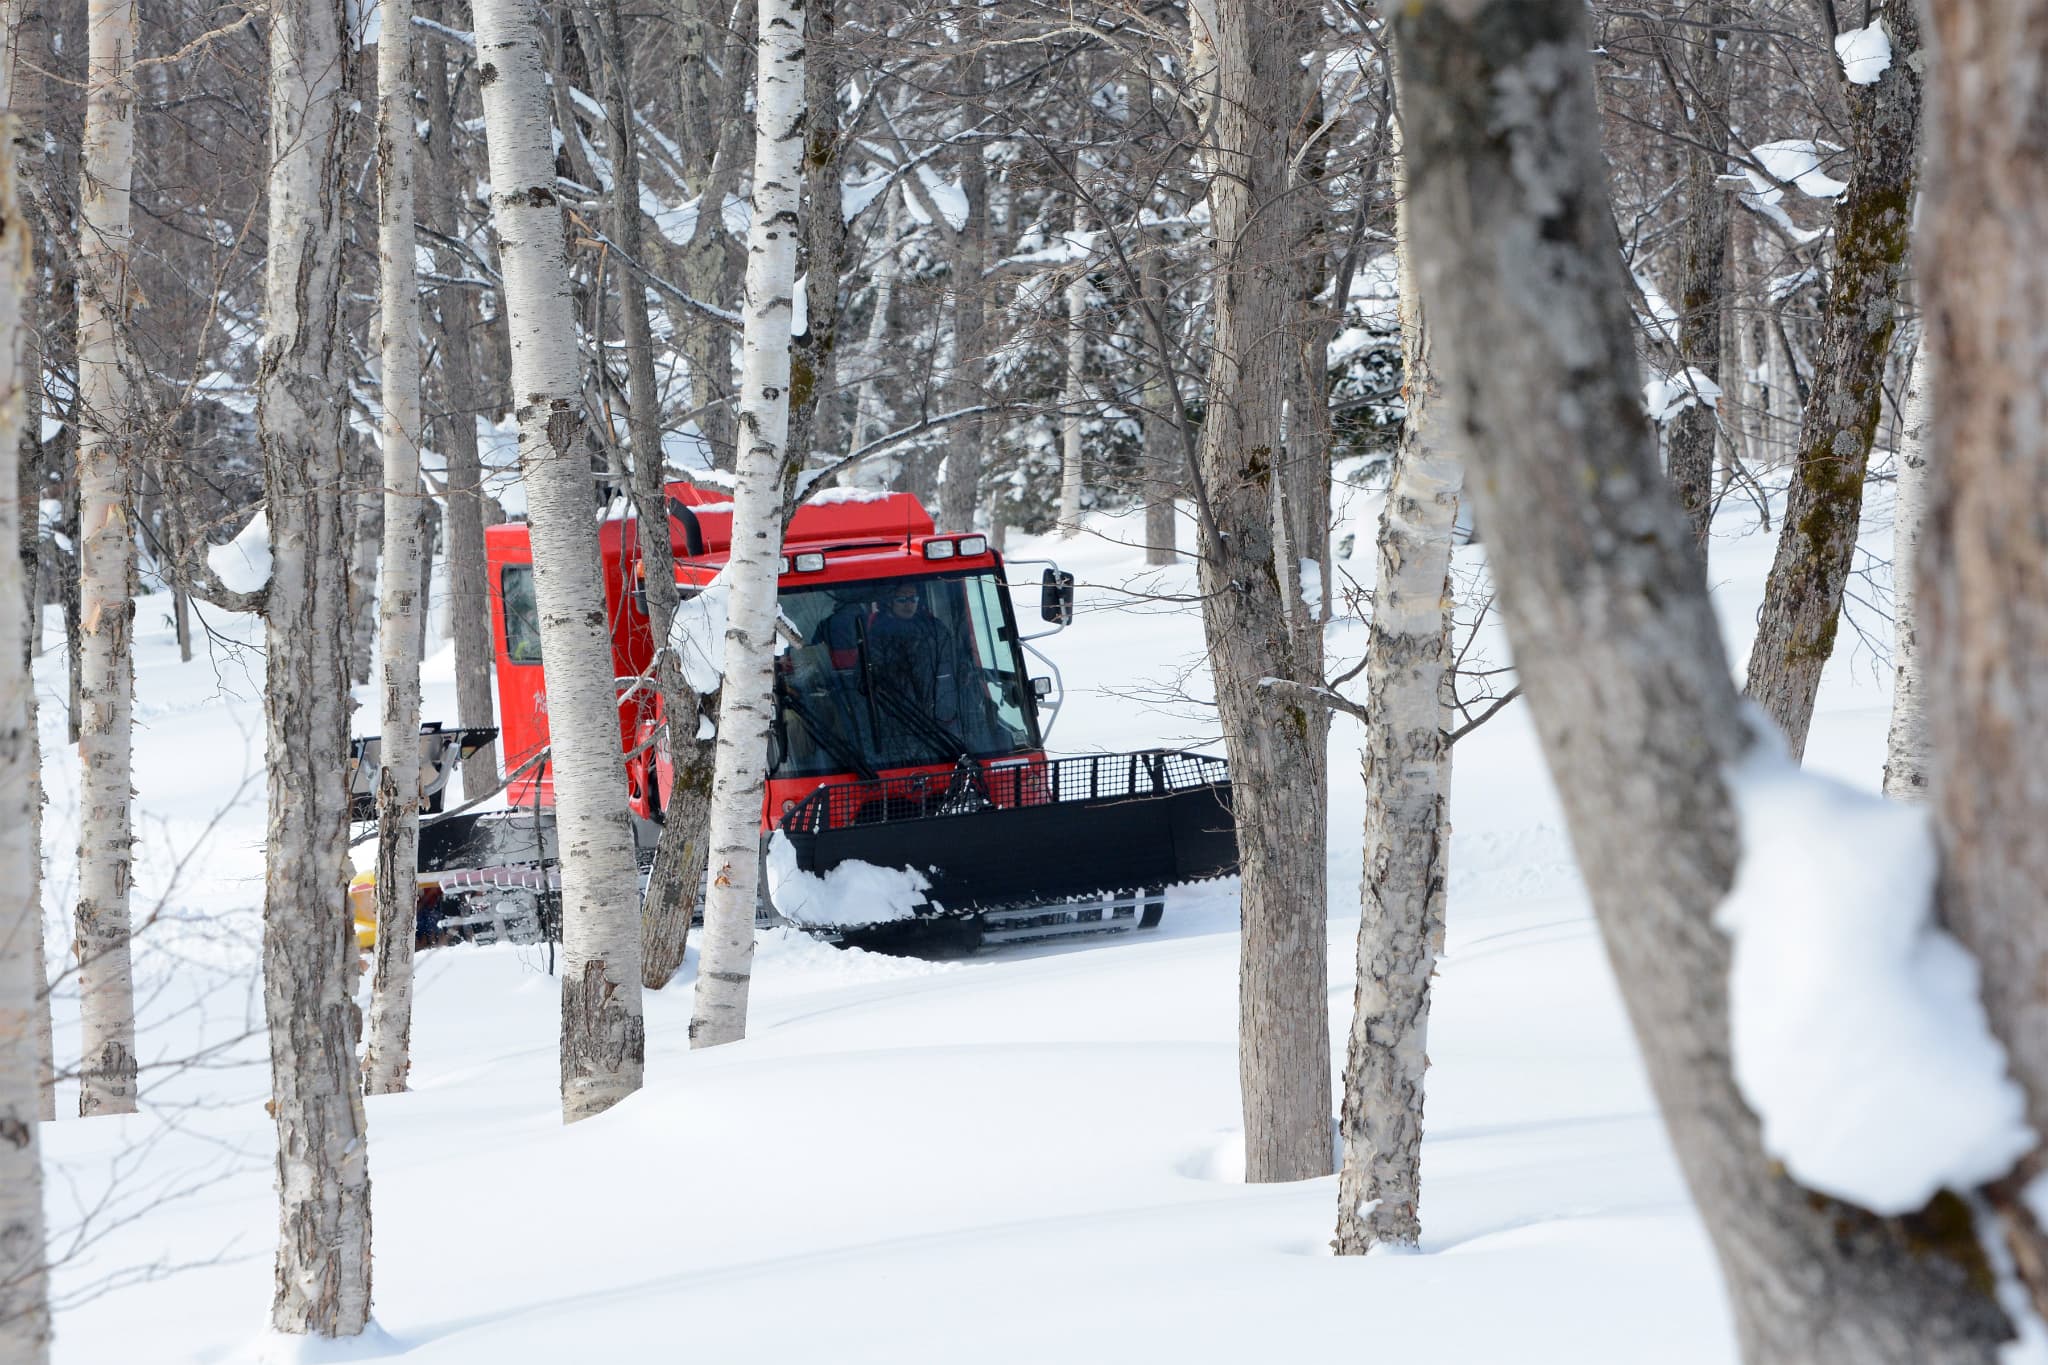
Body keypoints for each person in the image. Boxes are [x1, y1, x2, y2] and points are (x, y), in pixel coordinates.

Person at [866, 583, 962, 726]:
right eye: (902, 600)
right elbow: (869, 677)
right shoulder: (878, 634)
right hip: (898, 713)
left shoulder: (935, 628)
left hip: (938, 708)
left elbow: (955, 659)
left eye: (913, 599)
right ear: (889, 602)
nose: (908, 604)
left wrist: (964, 669)